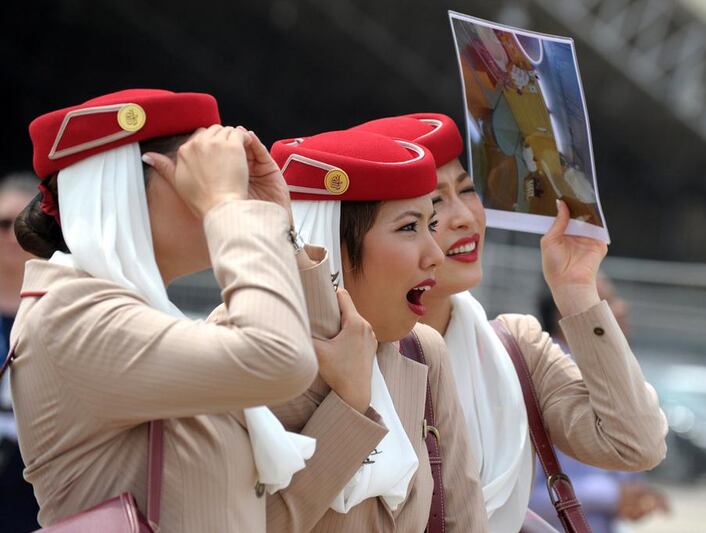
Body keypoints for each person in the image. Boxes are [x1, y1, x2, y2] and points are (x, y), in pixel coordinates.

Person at [9, 89, 320, 530]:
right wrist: (230, 208)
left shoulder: (131, 314)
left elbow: (318, 351)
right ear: (125, 191)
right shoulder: (72, 317)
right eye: (203, 178)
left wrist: (276, 227)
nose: (217, 193)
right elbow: (279, 357)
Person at [353, 113, 668, 532]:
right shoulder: (338, 351)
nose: (465, 216)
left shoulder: (513, 348)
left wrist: (575, 288)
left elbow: (636, 444)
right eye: (430, 206)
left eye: (466, 191)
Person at [250, 129, 489, 531]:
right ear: (330, 243)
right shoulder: (248, 355)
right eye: (409, 228)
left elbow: (463, 520)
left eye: (430, 226)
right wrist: (348, 404)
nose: (434, 256)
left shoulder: (421, 351)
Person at [529, 273, 670, 532]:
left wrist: (635, 498)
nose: (621, 308)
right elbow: (528, 499)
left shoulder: (613, 377)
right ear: (567, 309)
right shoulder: (544, 379)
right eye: (605, 301)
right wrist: (613, 497)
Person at [0, 172, 40, 531]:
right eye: (3, 223)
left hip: (38, 485)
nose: (12, 235)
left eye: (23, 223)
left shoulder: (62, 308)